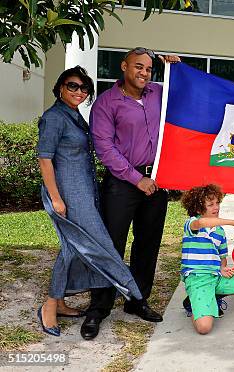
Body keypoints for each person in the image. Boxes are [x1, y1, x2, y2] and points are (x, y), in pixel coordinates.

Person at [36, 66, 142, 337]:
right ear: (60, 87)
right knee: (84, 244)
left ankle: (59, 301)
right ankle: (50, 305)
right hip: (68, 194)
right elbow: (44, 159)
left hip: (84, 192)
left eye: (84, 88)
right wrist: (56, 199)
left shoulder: (73, 116)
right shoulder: (54, 117)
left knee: (71, 246)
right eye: (73, 86)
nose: (79, 92)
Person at [85, 48, 180, 340]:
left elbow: (185, 94)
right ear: (125, 66)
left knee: (147, 243)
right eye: (139, 67)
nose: (144, 73)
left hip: (157, 179)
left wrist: (177, 69)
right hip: (122, 183)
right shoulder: (106, 103)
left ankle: (137, 300)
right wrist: (137, 179)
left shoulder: (158, 94)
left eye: (149, 69)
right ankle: (98, 308)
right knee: (110, 245)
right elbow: (105, 149)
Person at [180, 184, 234, 334]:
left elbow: (222, 257)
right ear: (199, 208)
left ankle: (212, 297)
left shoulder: (220, 231)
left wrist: (222, 268)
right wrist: (232, 222)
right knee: (204, 328)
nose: (216, 207)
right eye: (210, 204)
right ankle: (194, 303)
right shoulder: (192, 223)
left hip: (216, 277)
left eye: (217, 203)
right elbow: (203, 222)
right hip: (198, 279)